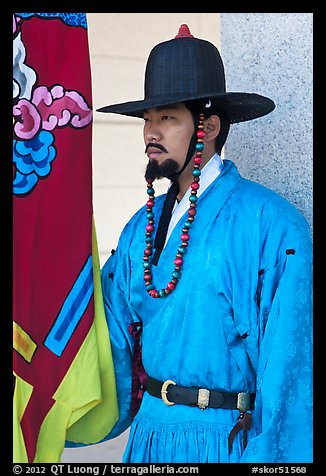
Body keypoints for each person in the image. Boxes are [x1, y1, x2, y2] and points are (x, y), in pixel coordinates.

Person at [97, 24, 313, 463]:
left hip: (225, 440)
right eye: (148, 120)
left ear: (209, 125)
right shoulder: (139, 227)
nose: (150, 134)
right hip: (149, 437)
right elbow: (105, 334)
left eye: (168, 117)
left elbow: (289, 368)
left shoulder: (271, 224)